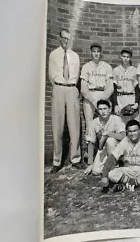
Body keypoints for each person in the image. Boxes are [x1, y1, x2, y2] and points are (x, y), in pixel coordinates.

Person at [48, 28, 81, 172]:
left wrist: (70, 85)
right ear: (59, 38)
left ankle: (75, 158)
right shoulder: (53, 55)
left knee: (74, 125)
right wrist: (59, 85)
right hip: (59, 88)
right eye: (64, 38)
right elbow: (51, 75)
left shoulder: (75, 56)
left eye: (69, 38)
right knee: (58, 125)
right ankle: (57, 161)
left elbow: (77, 74)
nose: (66, 41)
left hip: (72, 88)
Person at [100, 120, 140, 191]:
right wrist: (104, 176)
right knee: (111, 174)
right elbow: (112, 158)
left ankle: (127, 184)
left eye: (135, 131)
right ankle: (137, 184)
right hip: (128, 170)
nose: (132, 133)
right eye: (130, 131)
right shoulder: (125, 141)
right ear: (127, 132)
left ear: (139, 130)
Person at [84, 100, 126, 175]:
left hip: (118, 149)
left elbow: (123, 136)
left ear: (109, 109)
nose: (103, 111)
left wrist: (108, 134)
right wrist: (90, 163)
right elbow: (91, 143)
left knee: (110, 140)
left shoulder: (116, 119)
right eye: (100, 109)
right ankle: (116, 166)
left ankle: (115, 167)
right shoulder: (94, 122)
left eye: (105, 109)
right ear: (97, 110)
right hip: (104, 150)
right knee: (96, 171)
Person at [80, 42, 114, 133]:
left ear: (100, 53)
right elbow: (83, 88)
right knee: (89, 124)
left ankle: (104, 146)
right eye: (94, 51)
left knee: (105, 123)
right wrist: (93, 100)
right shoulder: (86, 67)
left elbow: (110, 87)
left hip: (103, 95)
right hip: (89, 96)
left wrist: (102, 100)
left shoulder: (107, 67)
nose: (96, 53)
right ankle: (90, 145)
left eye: (98, 51)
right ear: (90, 52)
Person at [112, 48, 140, 124]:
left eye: (127, 57)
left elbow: (137, 89)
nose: (125, 59)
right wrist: (115, 105)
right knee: (119, 123)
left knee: (131, 124)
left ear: (130, 58)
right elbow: (113, 89)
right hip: (120, 98)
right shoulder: (116, 70)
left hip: (131, 98)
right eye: (124, 56)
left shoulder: (134, 70)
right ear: (121, 56)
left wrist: (137, 102)